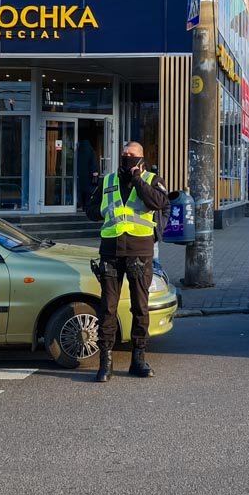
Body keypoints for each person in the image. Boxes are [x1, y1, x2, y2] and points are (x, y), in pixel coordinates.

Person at [84, 141, 170, 382]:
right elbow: (91, 210)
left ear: (141, 158)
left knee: (140, 307)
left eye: (132, 155)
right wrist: (100, 208)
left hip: (139, 252)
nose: (127, 158)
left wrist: (138, 181)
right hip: (110, 251)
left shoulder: (153, 179)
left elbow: (160, 203)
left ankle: (138, 359)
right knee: (108, 308)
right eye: (124, 155)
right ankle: (105, 362)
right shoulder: (108, 180)